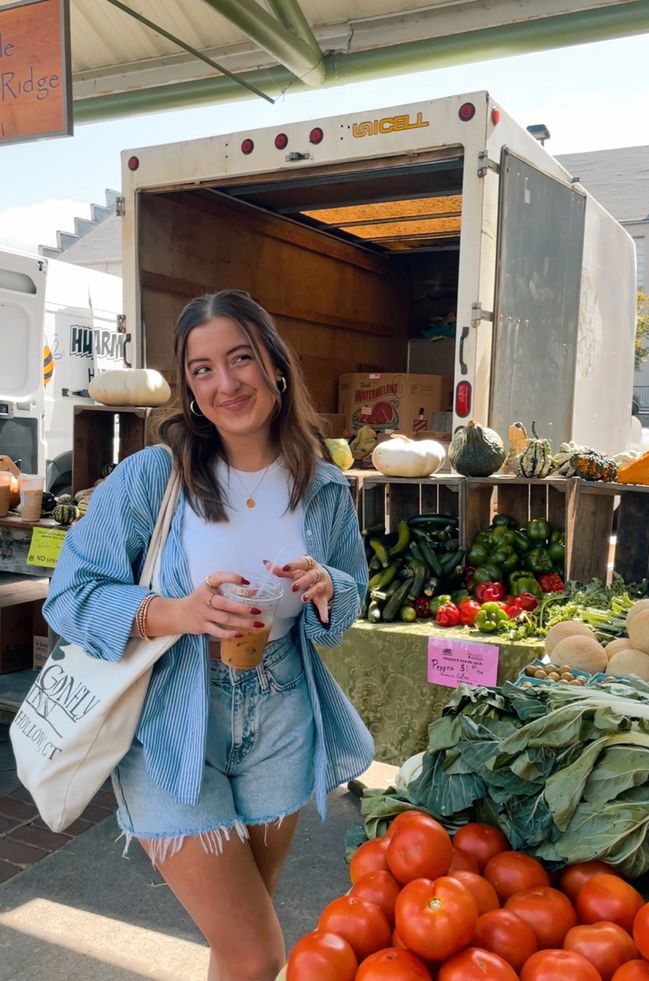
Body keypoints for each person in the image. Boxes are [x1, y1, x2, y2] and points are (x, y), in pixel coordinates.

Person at [43, 289, 374, 981]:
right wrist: (177, 612)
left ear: (275, 365)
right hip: (173, 715)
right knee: (259, 951)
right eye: (202, 369)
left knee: (238, 944)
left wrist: (327, 589)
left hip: (281, 712)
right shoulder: (151, 478)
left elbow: (347, 606)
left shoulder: (325, 488)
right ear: (188, 387)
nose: (225, 383)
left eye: (240, 359)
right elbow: (70, 595)